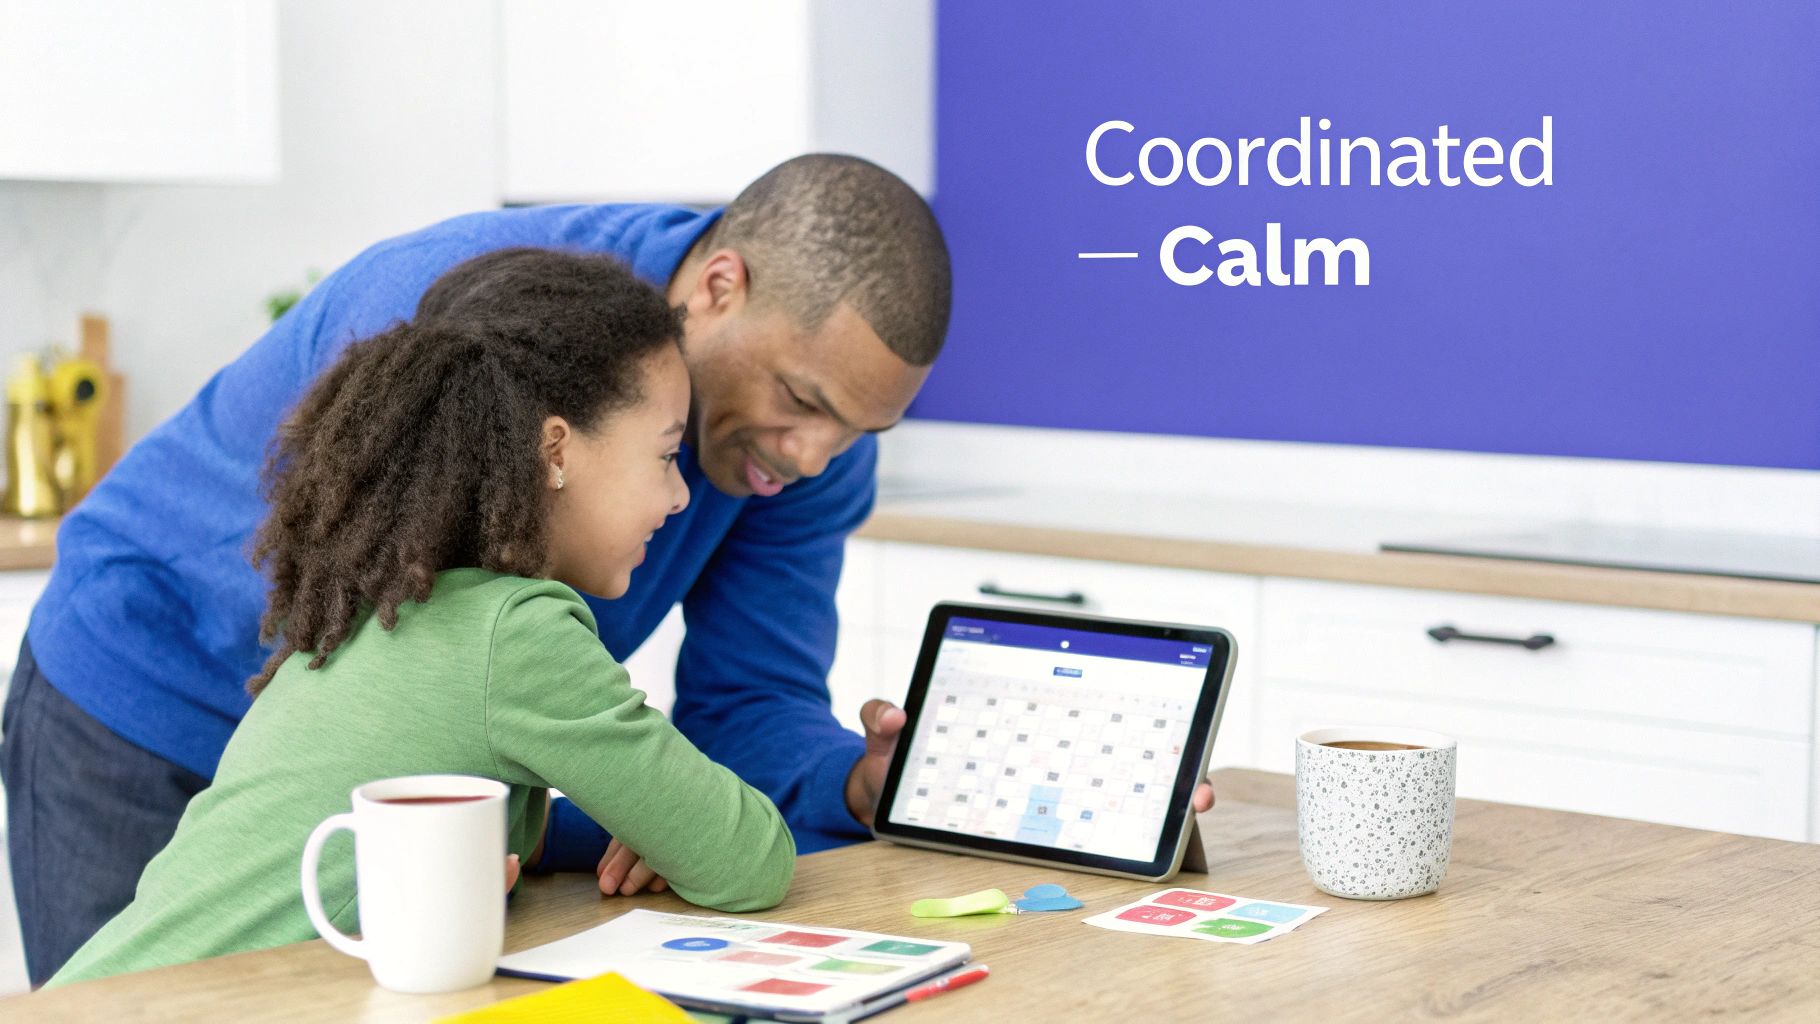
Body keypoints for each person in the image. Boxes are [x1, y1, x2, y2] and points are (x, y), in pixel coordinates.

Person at [1, 154, 942, 985]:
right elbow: (428, 681)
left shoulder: (798, 458)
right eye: (800, 399)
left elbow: (745, 701)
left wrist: (844, 784)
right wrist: (654, 811)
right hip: (140, 688)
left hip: (339, 767)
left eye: (861, 430)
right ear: (721, 286)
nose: (814, 455)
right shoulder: (473, 324)